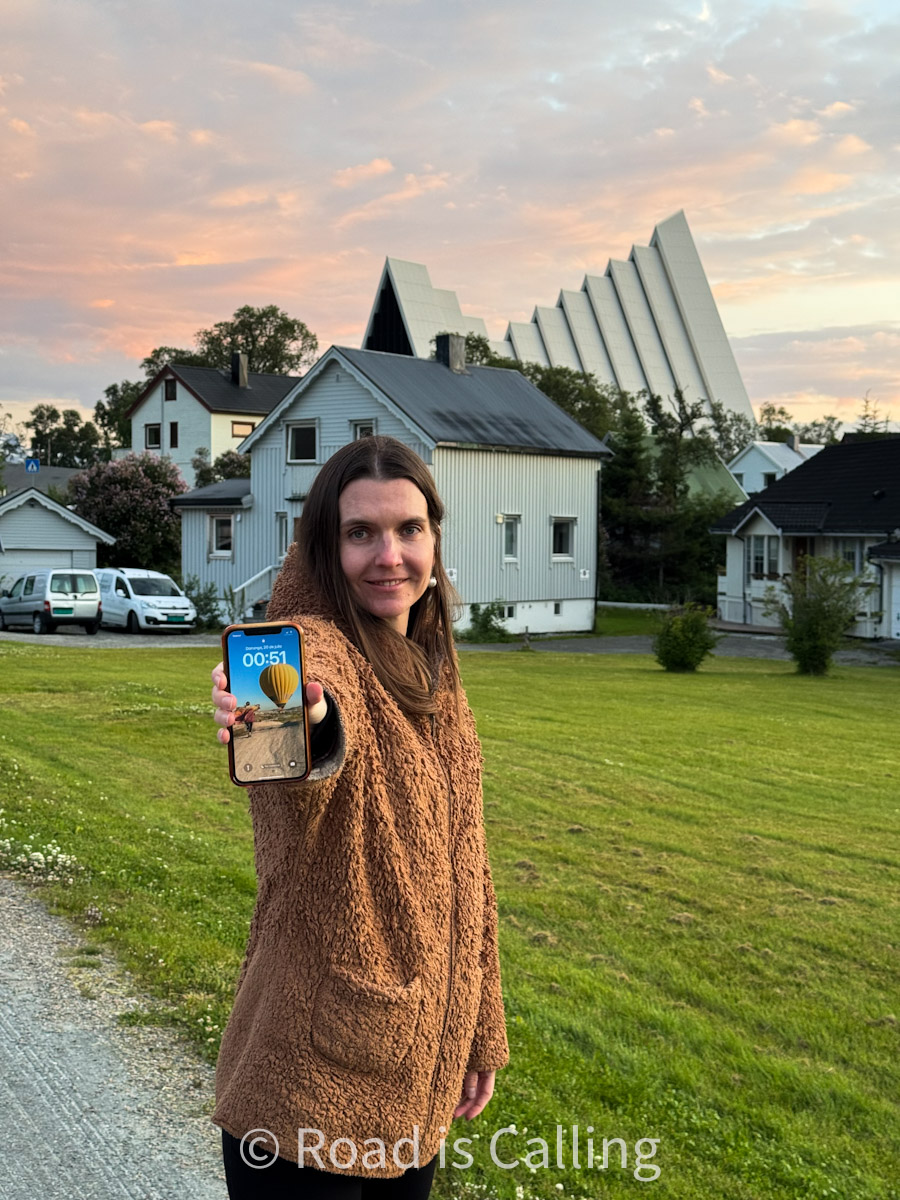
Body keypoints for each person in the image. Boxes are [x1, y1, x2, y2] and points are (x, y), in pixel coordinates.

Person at [209, 436, 509, 1200]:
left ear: (434, 537)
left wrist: (478, 1027)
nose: (389, 556)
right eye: (360, 533)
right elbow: (298, 756)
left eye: (408, 529)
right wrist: (302, 722)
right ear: (325, 546)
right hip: (302, 1092)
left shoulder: (433, 670)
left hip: (412, 1083)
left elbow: (468, 865)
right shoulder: (318, 650)